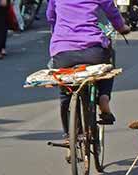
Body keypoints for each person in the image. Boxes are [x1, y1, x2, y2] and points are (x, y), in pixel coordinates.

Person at [47, 0, 130, 137]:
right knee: (108, 64)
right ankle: (104, 96)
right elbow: (112, 12)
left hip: (63, 53)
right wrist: (121, 28)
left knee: (65, 90)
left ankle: (69, 134)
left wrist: (56, 33)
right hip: (93, 52)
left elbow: (50, 16)